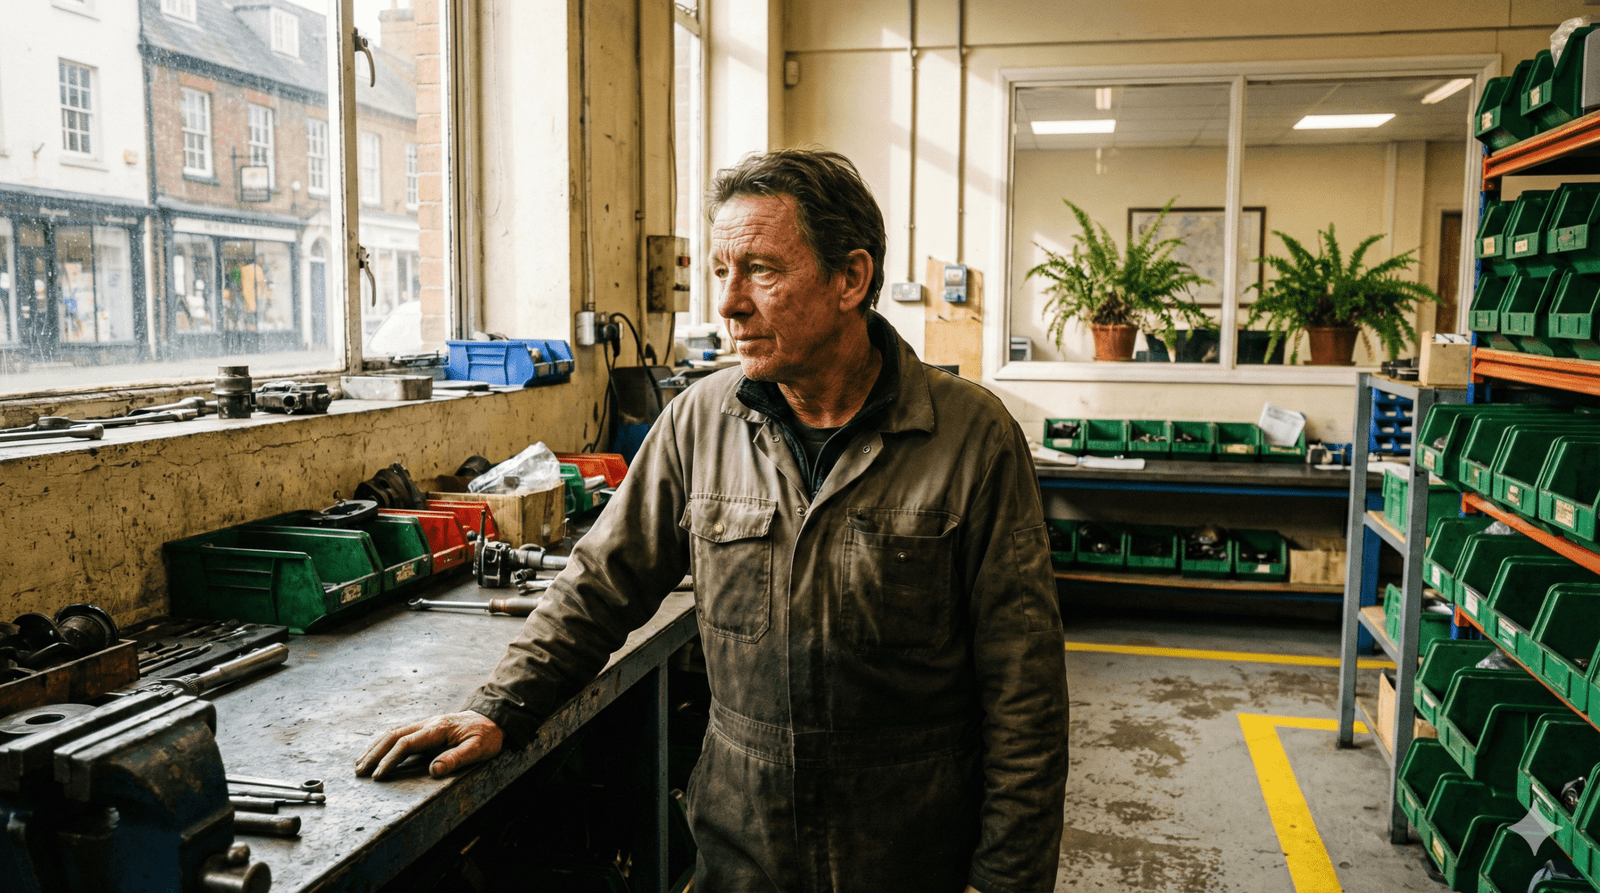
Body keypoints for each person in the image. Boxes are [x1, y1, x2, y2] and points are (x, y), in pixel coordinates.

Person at [356, 148, 1069, 893]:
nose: (727, 304)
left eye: (760, 269)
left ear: (850, 279)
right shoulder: (701, 422)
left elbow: (1027, 695)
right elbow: (600, 584)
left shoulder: (971, 438)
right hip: (744, 853)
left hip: (909, 854)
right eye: (720, 272)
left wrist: (1005, 880)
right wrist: (500, 706)